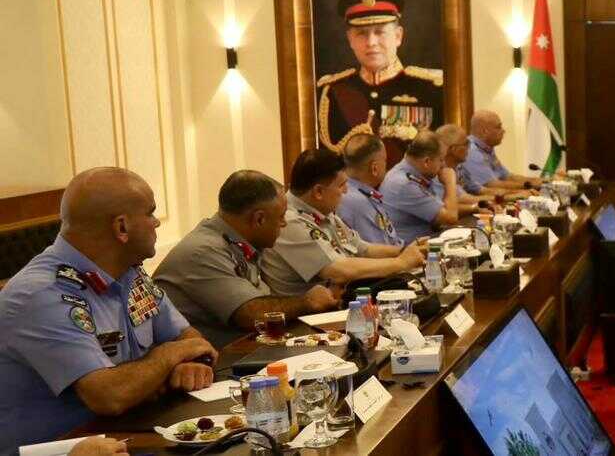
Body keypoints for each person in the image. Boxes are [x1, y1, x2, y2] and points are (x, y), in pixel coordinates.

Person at [0, 168, 217, 454]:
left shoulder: (128, 272)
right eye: (150, 213)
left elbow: (189, 338)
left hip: (130, 432)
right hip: (68, 447)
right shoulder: (42, 295)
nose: (156, 222)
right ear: (121, 228)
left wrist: (188, 364)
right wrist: (168, 357)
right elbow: (110, 396)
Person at [155, 171, 341, 349]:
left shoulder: (238, 241)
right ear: (259, 219)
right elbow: (252, 314)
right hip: (215, 362)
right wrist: (307, 301)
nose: (284, 223)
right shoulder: (202, 251)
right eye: (281, 216)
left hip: (244, 349)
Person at [261, 149, 425, 297]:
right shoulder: (289, 221)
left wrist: (406, 251)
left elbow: (362, 248)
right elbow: (338, 271)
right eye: (341, 185)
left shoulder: (321, 212)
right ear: (318, 192)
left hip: (338, 303)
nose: (346, 190)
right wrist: (401, 263)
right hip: (306, 314)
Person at [316, 0, 445, 166]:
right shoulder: (331, 92)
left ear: (398, 36)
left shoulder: (431, 88)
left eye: (380, 32)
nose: (371, 42)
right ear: (350, 40)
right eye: (361, 33)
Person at [381, 131, 462, 243]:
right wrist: (450, 182)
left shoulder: (415, 174)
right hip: (410, 248)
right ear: (426, 162)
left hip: (426, 241)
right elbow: (450, 217)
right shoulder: (404, 184)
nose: (443, 165)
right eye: (441, 160)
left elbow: (440, 209)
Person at [337, 134, 400, 246]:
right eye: (385, 160)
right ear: (374, 168)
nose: (386, 166)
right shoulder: (357, 201)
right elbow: (380, 250)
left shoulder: (356, 192)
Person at [461, 110, 539, 193]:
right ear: (485, 131)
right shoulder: (471, 151)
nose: (503, 131)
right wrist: (529, 186)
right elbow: (492, 185)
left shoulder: (487, 148)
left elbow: (507, 177)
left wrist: (538, 181)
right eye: (499, 127)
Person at [434, 123, 486, 212]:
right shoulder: (436, 172)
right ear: (453, 149)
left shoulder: (459, 168)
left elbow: (468, 195)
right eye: (466, 143)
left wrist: (496, 199)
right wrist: (476, 208)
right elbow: (444, 207)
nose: (469, 148)